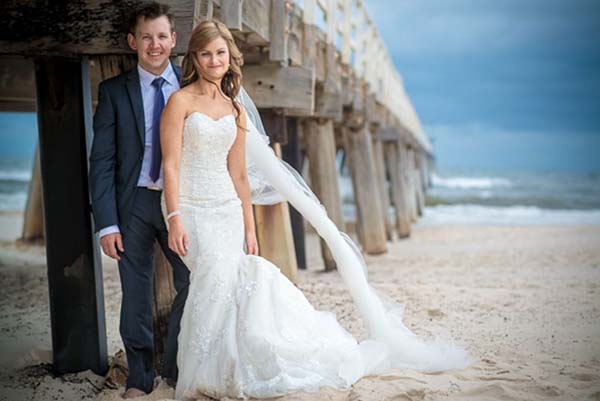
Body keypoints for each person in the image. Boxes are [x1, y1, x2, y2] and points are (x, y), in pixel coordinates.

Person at [161, 20, 468, 400]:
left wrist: (250, 228)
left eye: (220, 53)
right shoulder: (181, 102)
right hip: (190, 207)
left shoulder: (236, 110)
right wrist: (175, 217)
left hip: (226, 208)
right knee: (212, 278)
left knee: (229, 280)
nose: (213, 61)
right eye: (205, 54)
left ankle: (223, 367)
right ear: (194, 57)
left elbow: (239, 176)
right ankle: (200, 372)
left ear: (230, 58)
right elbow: (170, 165)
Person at [89, 2, 189, 398]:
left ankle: (177, 366)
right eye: (146, 37)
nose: (154, 45)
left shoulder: (190, 87)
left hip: (180, 205)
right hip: (133, 205)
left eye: (162, 36)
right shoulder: (113, 92)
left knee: (193, 281)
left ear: (174, 40)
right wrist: (107, 222)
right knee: (135, 294)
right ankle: (140, 379)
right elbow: (102, 161)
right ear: (132, 42)